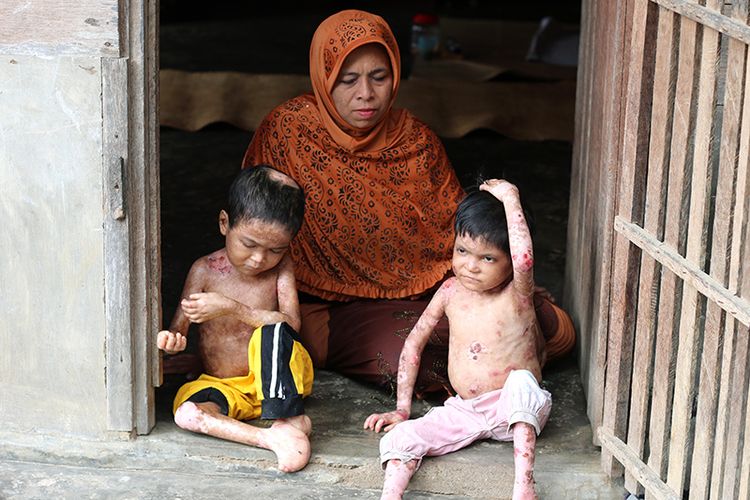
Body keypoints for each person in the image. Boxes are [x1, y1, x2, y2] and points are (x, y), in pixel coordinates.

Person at [242, 9, 575, 397]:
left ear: (396, 76)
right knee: (400, 356)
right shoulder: (289, 131)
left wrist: (505, 276)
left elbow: (460, 232)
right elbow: (255, 225)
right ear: (323, 78)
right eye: (347, 80)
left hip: (429, 291)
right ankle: (500, 366)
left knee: (549, 323)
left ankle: (496, 357)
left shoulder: (416, 139)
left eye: (379, 77)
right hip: (329, 309)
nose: (365, 93)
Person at [364, 179, 550, 500]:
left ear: (509, 264)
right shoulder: (450, 291)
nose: (470, 266)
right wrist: (402, 410)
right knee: (400, 440)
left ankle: (524, 488)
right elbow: (414, 344)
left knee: (522, 382)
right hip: (465, 411)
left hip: (515, 409)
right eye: (462, 251)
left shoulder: (516, 294)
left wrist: (510, 197)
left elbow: (524, 260)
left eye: (487, 258)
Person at [157, 165, 314, 473]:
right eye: (249, 244)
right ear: (224, 223)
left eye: (275, 250)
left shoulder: (282, 270)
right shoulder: (204, 270)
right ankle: (269, 438)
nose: (259, 259)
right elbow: (180, 329)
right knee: (187, 413)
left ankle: (288, 417)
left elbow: (291, 326)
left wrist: (233, 308)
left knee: (271, 330)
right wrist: (172, 342)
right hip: (226, 386)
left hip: (279, 382)